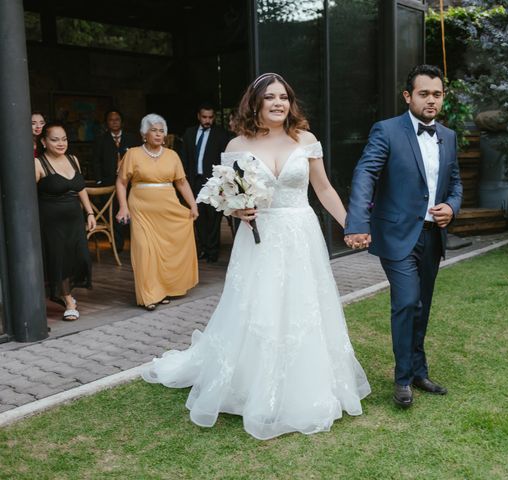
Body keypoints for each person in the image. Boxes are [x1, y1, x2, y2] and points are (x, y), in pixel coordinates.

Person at [142, 73, 370, 440]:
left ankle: (307, 384)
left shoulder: (306, 140)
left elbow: (324, 189)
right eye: (270, 98)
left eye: (284, 97)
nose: (279, 103)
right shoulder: (237, 144)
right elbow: (230, 196)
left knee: (304, 306)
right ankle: (250, 383)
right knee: (256, 307)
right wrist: (236, 211)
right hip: (259, 239)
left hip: (300, 233)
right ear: (256, 103)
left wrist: (350, 224)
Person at [344, 64, 463, 408]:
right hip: (396, 234)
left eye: (437, 94)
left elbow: (455, 182)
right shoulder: (386, 131)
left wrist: (452, 207)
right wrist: (357, 222)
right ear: (408, 96)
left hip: (432, 236)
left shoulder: (449, 136)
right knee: (407, 301)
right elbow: (365, 171)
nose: (431, 100)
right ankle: (401, 380)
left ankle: (418, 371)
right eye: (424, 93)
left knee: (421, 306)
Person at [115, 114, 199, 311]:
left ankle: (161, 290)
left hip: (168, 210)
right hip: (141, 210)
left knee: (165, 251)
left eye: (162, 130)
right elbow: (121, 182)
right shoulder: (133, 154)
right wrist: (123, 206)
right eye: (154, 130)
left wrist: (193, 205)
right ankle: (149, 296)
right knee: (144, 250)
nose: (159, 134)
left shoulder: (172, 155)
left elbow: (181, 182)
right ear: (144, 133)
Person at [34, 122, 96, 321]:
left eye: (64, 139)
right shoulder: (38, 163)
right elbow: (29, 196)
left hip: (75, 220)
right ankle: (68, 301)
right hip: (52, 222)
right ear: (43, 141)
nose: (61, 143)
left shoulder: (73, 159)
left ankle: (66, 293)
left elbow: (80, 189)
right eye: (54, 139)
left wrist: (90, 213)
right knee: (60, 260)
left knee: (81, 258)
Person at [180, 103, 232, 262]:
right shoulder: (189, 133)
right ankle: (203, 249)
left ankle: (213, 251)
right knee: (199, 216)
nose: (207, 120)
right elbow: (184, 157)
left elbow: (225, 161)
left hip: (213, 182)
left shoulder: (221, 135)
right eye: (204, 117)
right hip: (194, 180)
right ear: (199, 116)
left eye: (210, 117)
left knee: (214, 218)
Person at [92, 109, 138, 251]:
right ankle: (118, 245)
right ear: (107, 123)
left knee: (133, 211)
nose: (114, 122)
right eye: (111, 120)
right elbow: (96, 161)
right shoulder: (101, 139)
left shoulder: (132, 138)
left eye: (117, 119)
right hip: (109, 183)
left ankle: (136, 244)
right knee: (114, 213)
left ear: (122, 122)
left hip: (130, 182)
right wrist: (99, 180)